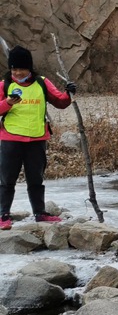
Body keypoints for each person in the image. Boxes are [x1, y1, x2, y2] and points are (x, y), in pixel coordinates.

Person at [1, 46, 74, 229]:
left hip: (37, 139)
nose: (17, 73)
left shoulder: (42, 83)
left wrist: (69, 93)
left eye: (22, 69)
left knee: (36, 180)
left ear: (30, 69)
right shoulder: (5, 85)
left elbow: (60, 102)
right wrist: (7, 103)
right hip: (11, 139)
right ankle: (3, 216)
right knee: (7, 180)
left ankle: (40, 214)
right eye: (14, 69)